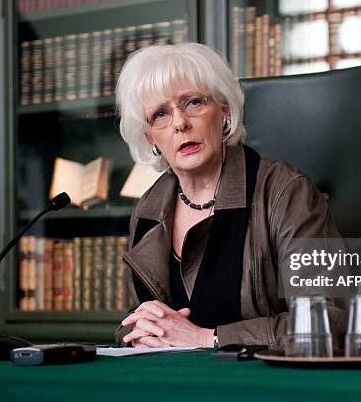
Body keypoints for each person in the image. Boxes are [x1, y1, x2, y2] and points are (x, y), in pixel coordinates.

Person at [114, 43, 346, 349]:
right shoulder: (149, 209)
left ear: (224, 112)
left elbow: (329, 321)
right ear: (150, 137)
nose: (180, 123)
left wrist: (207, 338)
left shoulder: (286, 192)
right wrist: (139, 331)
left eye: (193, 103)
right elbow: (137, 319)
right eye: (160, 114)